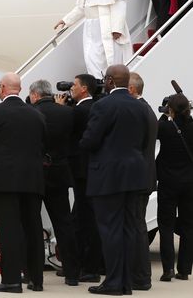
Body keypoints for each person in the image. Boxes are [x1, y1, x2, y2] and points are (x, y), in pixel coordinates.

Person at [80, 64, 150, 295]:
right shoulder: (141, 106)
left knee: (110, 230)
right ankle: (125, 282)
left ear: (110, 81)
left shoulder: (103, 105)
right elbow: (144, 141)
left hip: (108, 176)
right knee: (129, 229)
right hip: (135, 174)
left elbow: (90, 140)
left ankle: (113, 282)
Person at [0, 73, 46, 293]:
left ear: (3, 88)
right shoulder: (36, 114)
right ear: (20, 89)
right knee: (33, 228)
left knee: (9, 230)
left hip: (6, 179)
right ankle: (36, 279)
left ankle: (12, 280)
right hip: (33, 179)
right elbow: (43, 146)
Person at [29, 79, 79, 286]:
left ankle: (33, 274)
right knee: (64, 223)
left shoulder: (31, 113)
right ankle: (72, 273)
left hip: (35, 174)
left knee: (32, 224)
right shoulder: (67, 113)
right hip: (59, 172)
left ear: (35, 95)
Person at [55, 0, 132, 78]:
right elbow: (82, 7)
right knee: (90, 57)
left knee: (109, 57)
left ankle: (111, 82)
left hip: (107, 25)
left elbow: (119, 4)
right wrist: (66, 20)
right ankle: (97, 81)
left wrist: (117, 28)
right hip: (90, 27)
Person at [56, 74, 103, 283]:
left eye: (74, 85)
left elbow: (64, 130)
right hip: (93, 170)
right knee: (84, 217)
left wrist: (60, 108)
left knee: (85, 219)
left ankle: (88, 267)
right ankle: (86, 264)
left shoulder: (79, 111)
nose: (71, 88)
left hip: (80, 170)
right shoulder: (96, 107)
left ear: (84, 88)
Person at [156, 93, 193, 281]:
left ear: (170, 109)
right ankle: (185, 269)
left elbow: (156, 129)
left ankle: (168, 268)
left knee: (166, 225)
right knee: (188, 226)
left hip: (168, 182)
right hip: (190, 182)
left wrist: (165, 115)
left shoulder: (164, 127)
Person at [128, 72, 158, 290]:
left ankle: (140, 276)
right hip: (144, 177)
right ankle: (140, 275)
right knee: (137, 225)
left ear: (131, 89)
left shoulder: (139, 111)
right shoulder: (146, 109)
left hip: (138, 179)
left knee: (136, 226)